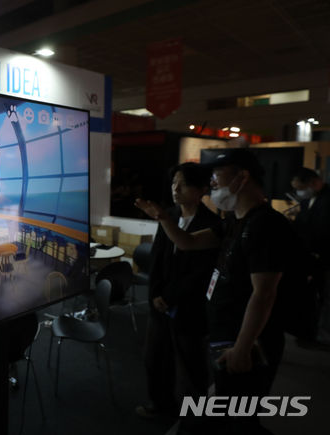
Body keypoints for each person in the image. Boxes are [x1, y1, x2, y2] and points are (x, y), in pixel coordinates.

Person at [136, 149, 291, 434]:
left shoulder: (265, 224)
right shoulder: (233, 221)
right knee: (229, 415)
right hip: (224, 335)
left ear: (242, 178)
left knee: (239, 418)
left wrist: (243, 347)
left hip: (247, 343)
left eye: (217, 175)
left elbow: (264, 293)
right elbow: (187, 242)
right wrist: (164, 218)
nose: (212, 183)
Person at [136, 163, 221, 426]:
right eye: (174, 182)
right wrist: (155, 294)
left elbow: (201, 272)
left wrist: (170, 296)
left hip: (189, 305)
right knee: (154, 358)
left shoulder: (212, 224)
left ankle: (195, 420)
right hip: (159, 301)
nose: (176, 188)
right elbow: (157, 258)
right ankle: (160, 405)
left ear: (202, 189)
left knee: (191, 365)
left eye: (183, 184)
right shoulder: (169, 214)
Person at [290, 167, 330, 345]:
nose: (300, 193)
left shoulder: (327, 199)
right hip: (310, 257)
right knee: (311, 296)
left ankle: (323, 336)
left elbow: (323, 228)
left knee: (326, 298)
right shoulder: (307, 200)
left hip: (326, 256)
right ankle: (309, 332)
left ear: (313, 182)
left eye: (301, 188)